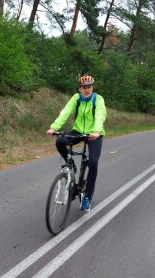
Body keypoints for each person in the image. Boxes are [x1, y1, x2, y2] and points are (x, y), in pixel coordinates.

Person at [46, 74, 107, 211]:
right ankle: (72, 166)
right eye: (84, 87)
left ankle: (87, 197)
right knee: (60, 141)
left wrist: (96, 131)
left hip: (94, 134)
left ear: (92, 87)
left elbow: (100, 114)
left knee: (93, 163)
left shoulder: (98, 99)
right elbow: (65, 112)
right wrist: (54, 127)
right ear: (80, 89)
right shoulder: (76, 98)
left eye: (89, 87)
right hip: (78, 131)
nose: (86, 89)